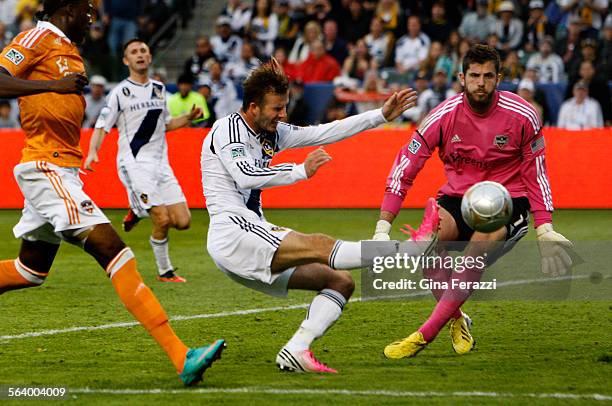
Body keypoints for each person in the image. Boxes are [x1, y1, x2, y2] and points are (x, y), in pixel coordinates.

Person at [0, 0, 224, 385]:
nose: (92, 18)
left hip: (62, 168)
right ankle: (181, 355)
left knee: (29, 271)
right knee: (115, 252)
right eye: (87, 10)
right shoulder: (37, 37)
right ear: (66, 8)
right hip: (46, 166)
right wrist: (52, 85)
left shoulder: (70, 50)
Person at [200, 60, 438, 373]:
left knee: (339, 281)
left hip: (248, 238)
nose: (283, 115)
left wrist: (380, 115)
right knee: (319, 244)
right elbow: (245, 176)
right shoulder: (227, 130)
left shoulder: (271, 131)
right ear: (254, 107)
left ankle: (296, 350)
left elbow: (325, 131)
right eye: (276, 108)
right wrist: (299, 171)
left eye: (284, 107)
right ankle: (411, 250)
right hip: (233, 231)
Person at [373, 44, 572, 359]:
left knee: (479, 244)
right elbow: (405, 168)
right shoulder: (441, 116)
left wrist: (545, 228)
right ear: (462, 78)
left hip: (508, 203)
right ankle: (456, 319)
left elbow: (537, 174)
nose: (481, 82)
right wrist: (383, 227)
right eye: (475, 76)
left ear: (499, 78)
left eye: (488, 76)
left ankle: (423, 335)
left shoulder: (523, 115)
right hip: (458, 198)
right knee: (432, 243)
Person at [85, 39, 205, 283]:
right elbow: (101, 125)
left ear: (149, 57)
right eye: (134, 52)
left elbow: (167, 124)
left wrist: (189, 117)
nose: (139, 55)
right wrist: (92, 152)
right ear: (126, 60)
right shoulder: (120, 92)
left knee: (183, 222)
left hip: (161, 165)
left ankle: (138, 209)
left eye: (143, 51)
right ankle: (165, 271)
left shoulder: (160, 90)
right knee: (162, 218)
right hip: (135, 163)